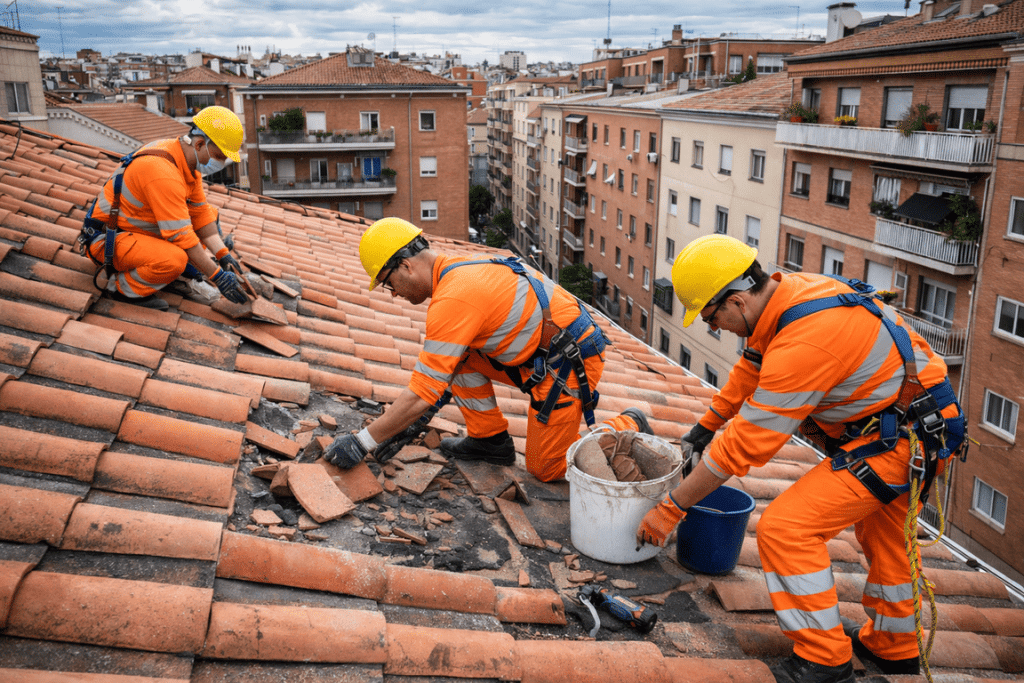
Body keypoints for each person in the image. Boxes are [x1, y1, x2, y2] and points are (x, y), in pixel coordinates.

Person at [636, 235, 965, 683]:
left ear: (736, 301)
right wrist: (705, 426)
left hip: (904, 440)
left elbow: (744, 448)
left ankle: (824, 659)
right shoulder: (789, 296)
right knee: (884, 536)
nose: (716, 328)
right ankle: (894, 648)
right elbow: (751, 367)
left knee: (787, 529)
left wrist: (672, 506)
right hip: (918, 426)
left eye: (713, 318)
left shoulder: (804, 343)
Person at [325, 217, 651, 482]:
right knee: (458, 355)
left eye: (387, 283)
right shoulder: (456, 269)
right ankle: (490, 440)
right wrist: (410, 419)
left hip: (571, 360)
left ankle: (628, 424)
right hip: (540, 354)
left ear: (407, 266)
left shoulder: (453, 298)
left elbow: (422, 392)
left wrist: (362, 441)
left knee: (547, 469)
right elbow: (435, 379)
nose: (393, 293)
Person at [80, 105, 248, 311]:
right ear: (200, 144)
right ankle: (123, 289)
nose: (221, 163)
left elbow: (201, 214)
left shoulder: (184, 161)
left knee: (210, 216)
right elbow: (182, 236)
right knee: (174, 260)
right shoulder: (162, 172)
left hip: (135, 232)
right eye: (219, 156)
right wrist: (218, 277)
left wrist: (223, 255)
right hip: (107, 241)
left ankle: (165, 273)